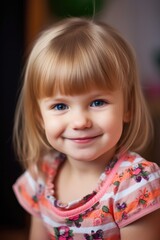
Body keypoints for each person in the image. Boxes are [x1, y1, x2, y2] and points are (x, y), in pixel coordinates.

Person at [13, 17, 160, 240]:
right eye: (60, 106)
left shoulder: (134, 184)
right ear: (40, 117)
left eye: (97, 102)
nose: (80, 122)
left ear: (127, 107)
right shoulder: (40, 175)